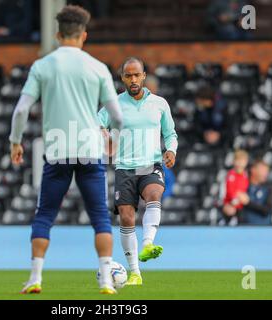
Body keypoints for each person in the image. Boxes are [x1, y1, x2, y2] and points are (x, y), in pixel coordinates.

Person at [9, 5, 123, 294]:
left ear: (58, 34)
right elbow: (117, 116)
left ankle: (35, 278)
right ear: (83, 35)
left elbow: (22, 109)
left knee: (44, 215)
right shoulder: (97, 67)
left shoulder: (43, 66)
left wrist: (15, 141)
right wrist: (113, 139)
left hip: (58, 151)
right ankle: (107, 280)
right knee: (99, 216)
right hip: (90, 150)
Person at [97, 57, 178, 285]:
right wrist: (105, 137)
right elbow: (96, 121)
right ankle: (135, 272)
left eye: (137, 75)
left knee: (154, 193)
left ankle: (148, 244)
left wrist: (171, 150)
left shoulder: (160, 103)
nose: (133, 79)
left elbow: (170, 134)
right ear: (123, 78)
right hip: (124, 167)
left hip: (150, 164)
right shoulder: (114, 104)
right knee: (126, 217)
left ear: (144, 76)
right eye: (128, 75)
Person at [145, 74, 176, 200]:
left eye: (152, 88)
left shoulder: (162, 104)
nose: (150, 91)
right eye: (147, 88)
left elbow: (169, 130)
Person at [240, 160, 272, 225]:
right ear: (253, 170)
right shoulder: (242, 186)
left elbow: (267, 210)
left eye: (267, 171)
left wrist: (248, 203)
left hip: (263, 230)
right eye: (263, 170)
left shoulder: (268, 189)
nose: (266, 173)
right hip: (244, 229)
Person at [221, 149, 249, 225]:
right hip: (231, 203)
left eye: (242, 161)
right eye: (238, 160)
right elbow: (229, 190)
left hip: (240, 204)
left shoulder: (245, 175)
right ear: (233, 161)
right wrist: (234, 200)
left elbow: (245, 188)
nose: (240, 163)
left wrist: (245, 198)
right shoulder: (231, 175)